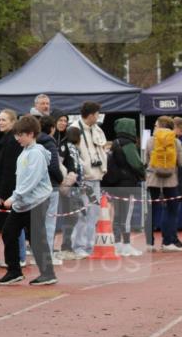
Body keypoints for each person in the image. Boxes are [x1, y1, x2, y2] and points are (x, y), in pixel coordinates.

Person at [0, 115, 57, 286]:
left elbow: (32, 180)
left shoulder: (36, 153)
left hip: (36, 201)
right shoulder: (25, 152)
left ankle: (48, 273)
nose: (17, 138)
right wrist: (17, 199)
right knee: (9, 232)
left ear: (30, 134)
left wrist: (14, 197)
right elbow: (22, 178)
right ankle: (14, 271)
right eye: (16, 135)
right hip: (23, 203)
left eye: (20, 135)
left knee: (37, 237)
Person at [103, 118, 145, 256]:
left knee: (117, 215)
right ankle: (127, 244)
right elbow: (136, 164)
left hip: (115, 184)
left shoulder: (115, 143)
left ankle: (117, 243)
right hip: (128, 184)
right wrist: (143, 174)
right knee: (126, 215)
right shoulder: (129, 144)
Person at [0, 109, 23, 264]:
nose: (0, 122)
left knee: (12, 226)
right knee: (10, 226)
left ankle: (18, 258)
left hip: (9, 192)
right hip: (7, 191)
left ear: (13, 122)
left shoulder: (12, 142)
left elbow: (9, 170)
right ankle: (16, 258)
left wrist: (3, 194)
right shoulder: (6, 140)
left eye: (4, 120)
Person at [145, 115, 182, 251]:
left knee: (152, 210)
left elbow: (146, 160)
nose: (154, 127)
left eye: (156, 125)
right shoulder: (175, 141)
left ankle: (149, 243)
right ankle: (168, 242)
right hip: (170, 180)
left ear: (160, 125)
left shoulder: (150, 141)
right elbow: (181, 162)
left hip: (153, 179)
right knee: (171, 210)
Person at [74, 101, 108, 255]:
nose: (98, 117)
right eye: (97, 114)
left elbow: (101, 149)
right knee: (83, 213)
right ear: (91, 115)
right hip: (84, 178)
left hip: (97, 176)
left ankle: (89, 245)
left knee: (93, 213)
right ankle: (79, 246)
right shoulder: (75, 129)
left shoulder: (97, 130)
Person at [37, 115, 64, 265]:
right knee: (49, 222)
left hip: (37, 186)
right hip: (50, 186)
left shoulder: (34, 142)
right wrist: (61, 180)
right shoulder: (50, 143)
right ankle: (47, 255)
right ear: (52, 128)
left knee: (38, 222)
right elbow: (54, 166)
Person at [57, 125, 85, 258]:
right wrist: (65, 181)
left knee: (74, 216)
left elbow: (78, 165)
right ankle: (66, 247)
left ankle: (68, 245)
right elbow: (60, 163)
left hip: (76, 186)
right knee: (71, 216)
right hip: (69, 185)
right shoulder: (64, 145)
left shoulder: (75, 148)